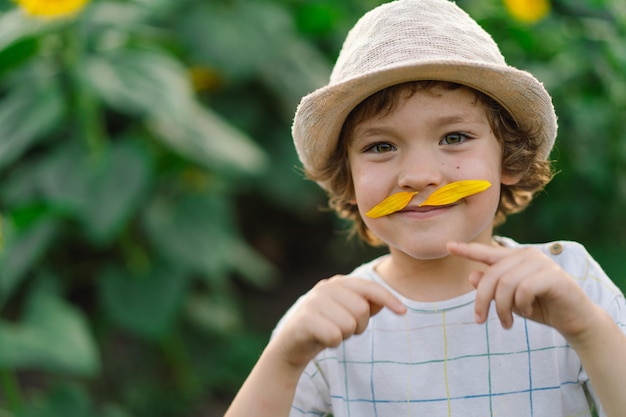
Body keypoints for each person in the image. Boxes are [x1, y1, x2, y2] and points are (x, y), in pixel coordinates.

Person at [224, 0, 626, 416]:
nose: (418, 176)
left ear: (507, 157)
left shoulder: (570, 285)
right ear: (349, 178)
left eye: (454, 138)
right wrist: (284, 361)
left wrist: (586, 328)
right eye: (381, 146)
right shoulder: (328, 321)